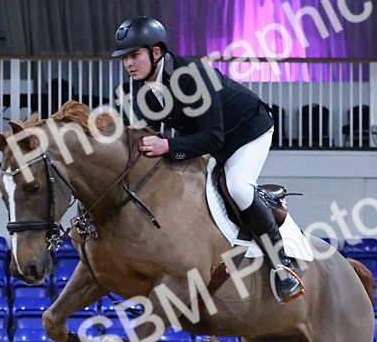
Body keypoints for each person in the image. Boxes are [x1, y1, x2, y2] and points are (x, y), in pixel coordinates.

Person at [110, 15, 304, 303]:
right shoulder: (141, 87)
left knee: (237, 186)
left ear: (156, 52)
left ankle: (282, 265)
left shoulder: (192, 76)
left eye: (134, 55)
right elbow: (151, 133)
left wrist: (167, 146)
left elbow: (214, 139)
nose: (128, 63)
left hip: (247, 131)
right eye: (124, 57)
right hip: (205, 137)